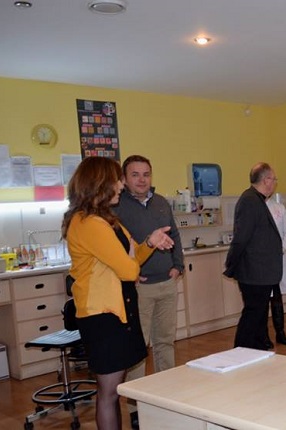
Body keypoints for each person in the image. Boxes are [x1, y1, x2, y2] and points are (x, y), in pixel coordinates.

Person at [61, 156, 174, 430]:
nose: (121, 185)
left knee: (113, 392)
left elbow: (134, 257)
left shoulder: (107, 221)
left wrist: (149, 243)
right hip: (103, 316)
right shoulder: (89, 224)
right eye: (117, 180)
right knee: (109, 393)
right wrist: (132, 261)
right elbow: (128, 269)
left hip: (117, 310)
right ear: (100, 184)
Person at [115, 155, 184, 428]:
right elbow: (117, 246)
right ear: (124, 178)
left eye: (146, 174)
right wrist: (129, 273)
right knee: (138, 349)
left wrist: (178, 266)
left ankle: (168, 399)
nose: (142, 180)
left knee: (165, 342)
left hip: (167, 283)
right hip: (139, 287)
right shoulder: (117, 206)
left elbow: (175, 235)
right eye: (135, 174)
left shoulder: (161, 202)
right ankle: (137, 408)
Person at [224, 162, 283, 350]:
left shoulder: (257, 200)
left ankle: (257, 349)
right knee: (253, 313)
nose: (274, 183)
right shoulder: (250, 201)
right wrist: (231, 264)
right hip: (254, 271)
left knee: (259, 314)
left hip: (261, 271)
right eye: (274, 179)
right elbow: (241, 238)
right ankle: (241, 350)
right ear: (266, 180)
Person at [264, 193, 286, 347]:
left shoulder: (279, 208)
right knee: (262, 298)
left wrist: (281, 249)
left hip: (278, 257)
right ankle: (263, 335)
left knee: (277, 296)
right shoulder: (254, 208)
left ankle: (280, 333)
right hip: (261, 261)